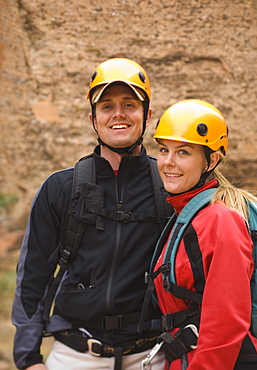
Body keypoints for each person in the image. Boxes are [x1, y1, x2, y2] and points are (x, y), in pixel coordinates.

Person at [12, 58, 172, 370]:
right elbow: (34, 276)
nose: (119, 114)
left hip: (150, 355)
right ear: (93, 119)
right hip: (75, 354)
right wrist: (29, 359)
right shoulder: (61, 188)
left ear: (148, 115)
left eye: (130, 104)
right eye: (107, 106)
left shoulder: (169, 188)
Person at [147, 99, 257, 369]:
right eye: (163, 149)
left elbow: (226, 322)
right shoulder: (187, 215)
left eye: (183, 153)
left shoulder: (220, 219)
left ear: (211, 160)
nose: (167, 162)